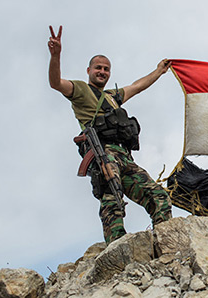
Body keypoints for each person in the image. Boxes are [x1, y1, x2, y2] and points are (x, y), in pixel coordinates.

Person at [47, 25, 172, 243]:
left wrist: (159, 71)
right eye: (98, 68)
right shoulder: (80, 90)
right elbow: (55, 83)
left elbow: (137, 86)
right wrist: (56, 56)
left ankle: (166, 243)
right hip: (103, 153)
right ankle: (117, 246)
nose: (102, 72)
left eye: (106, 69)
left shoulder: (113, 96)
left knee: (158, 196)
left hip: (124, 156)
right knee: (112, 197)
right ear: (89, 71)